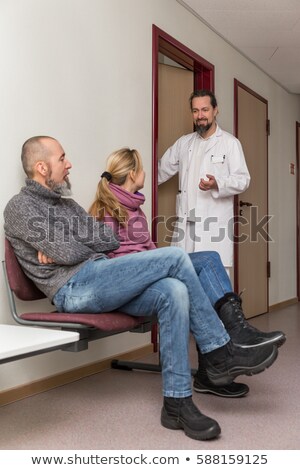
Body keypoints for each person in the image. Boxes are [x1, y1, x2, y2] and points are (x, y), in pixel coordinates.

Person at [4, 136, 280, 442]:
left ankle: (177, 403)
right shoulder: (19, 207)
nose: (69, 164)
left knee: (173, 290)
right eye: (62, 158)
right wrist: (66, 246)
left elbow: (108, 241)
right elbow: (70, 254)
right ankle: (219, 350)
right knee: (175, 257)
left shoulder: (67, 204)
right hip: (73, 288)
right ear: (42, 167)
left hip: (100, 276)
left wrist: (62, 244)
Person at [88, 147, 285, 399]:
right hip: (131, 285)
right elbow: (110, 264)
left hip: (149, 273)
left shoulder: (135, 207)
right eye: (143, 168)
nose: (147, 172)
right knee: (189, 281)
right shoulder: (105, 209)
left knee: (209, 259)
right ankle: (216, 365)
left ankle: (236, 330)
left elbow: (145, 248)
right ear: (133, 173)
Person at [158, 89, 250, 270]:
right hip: (186, 225)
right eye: (195, 111)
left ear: (215, 110)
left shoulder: (230, 143)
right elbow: (159, 171)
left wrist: (218, 184)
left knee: (214, 281)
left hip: (213, 227)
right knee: (184, 278)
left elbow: (243, 179)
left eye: (205, 110)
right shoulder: (183, 143)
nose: (200, 116)